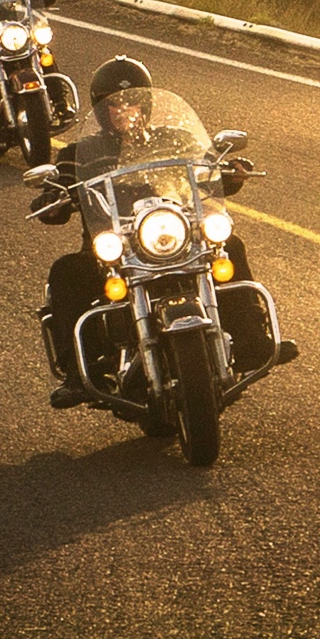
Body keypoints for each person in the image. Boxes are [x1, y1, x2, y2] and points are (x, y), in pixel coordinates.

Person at [34, 55, 289, 407]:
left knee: (229, 243)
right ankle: (80, 371)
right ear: (100, 108)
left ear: (148, 104)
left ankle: (251, 342)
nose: (125, 111)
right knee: (66, 272)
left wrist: (229, 170)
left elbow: (207, 168)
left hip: (176, 235)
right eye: (115, 105)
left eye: (134, 103)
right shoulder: (80, 153)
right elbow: (59, 188)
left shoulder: (176, 139)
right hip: (115, 247)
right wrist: (53, 196)